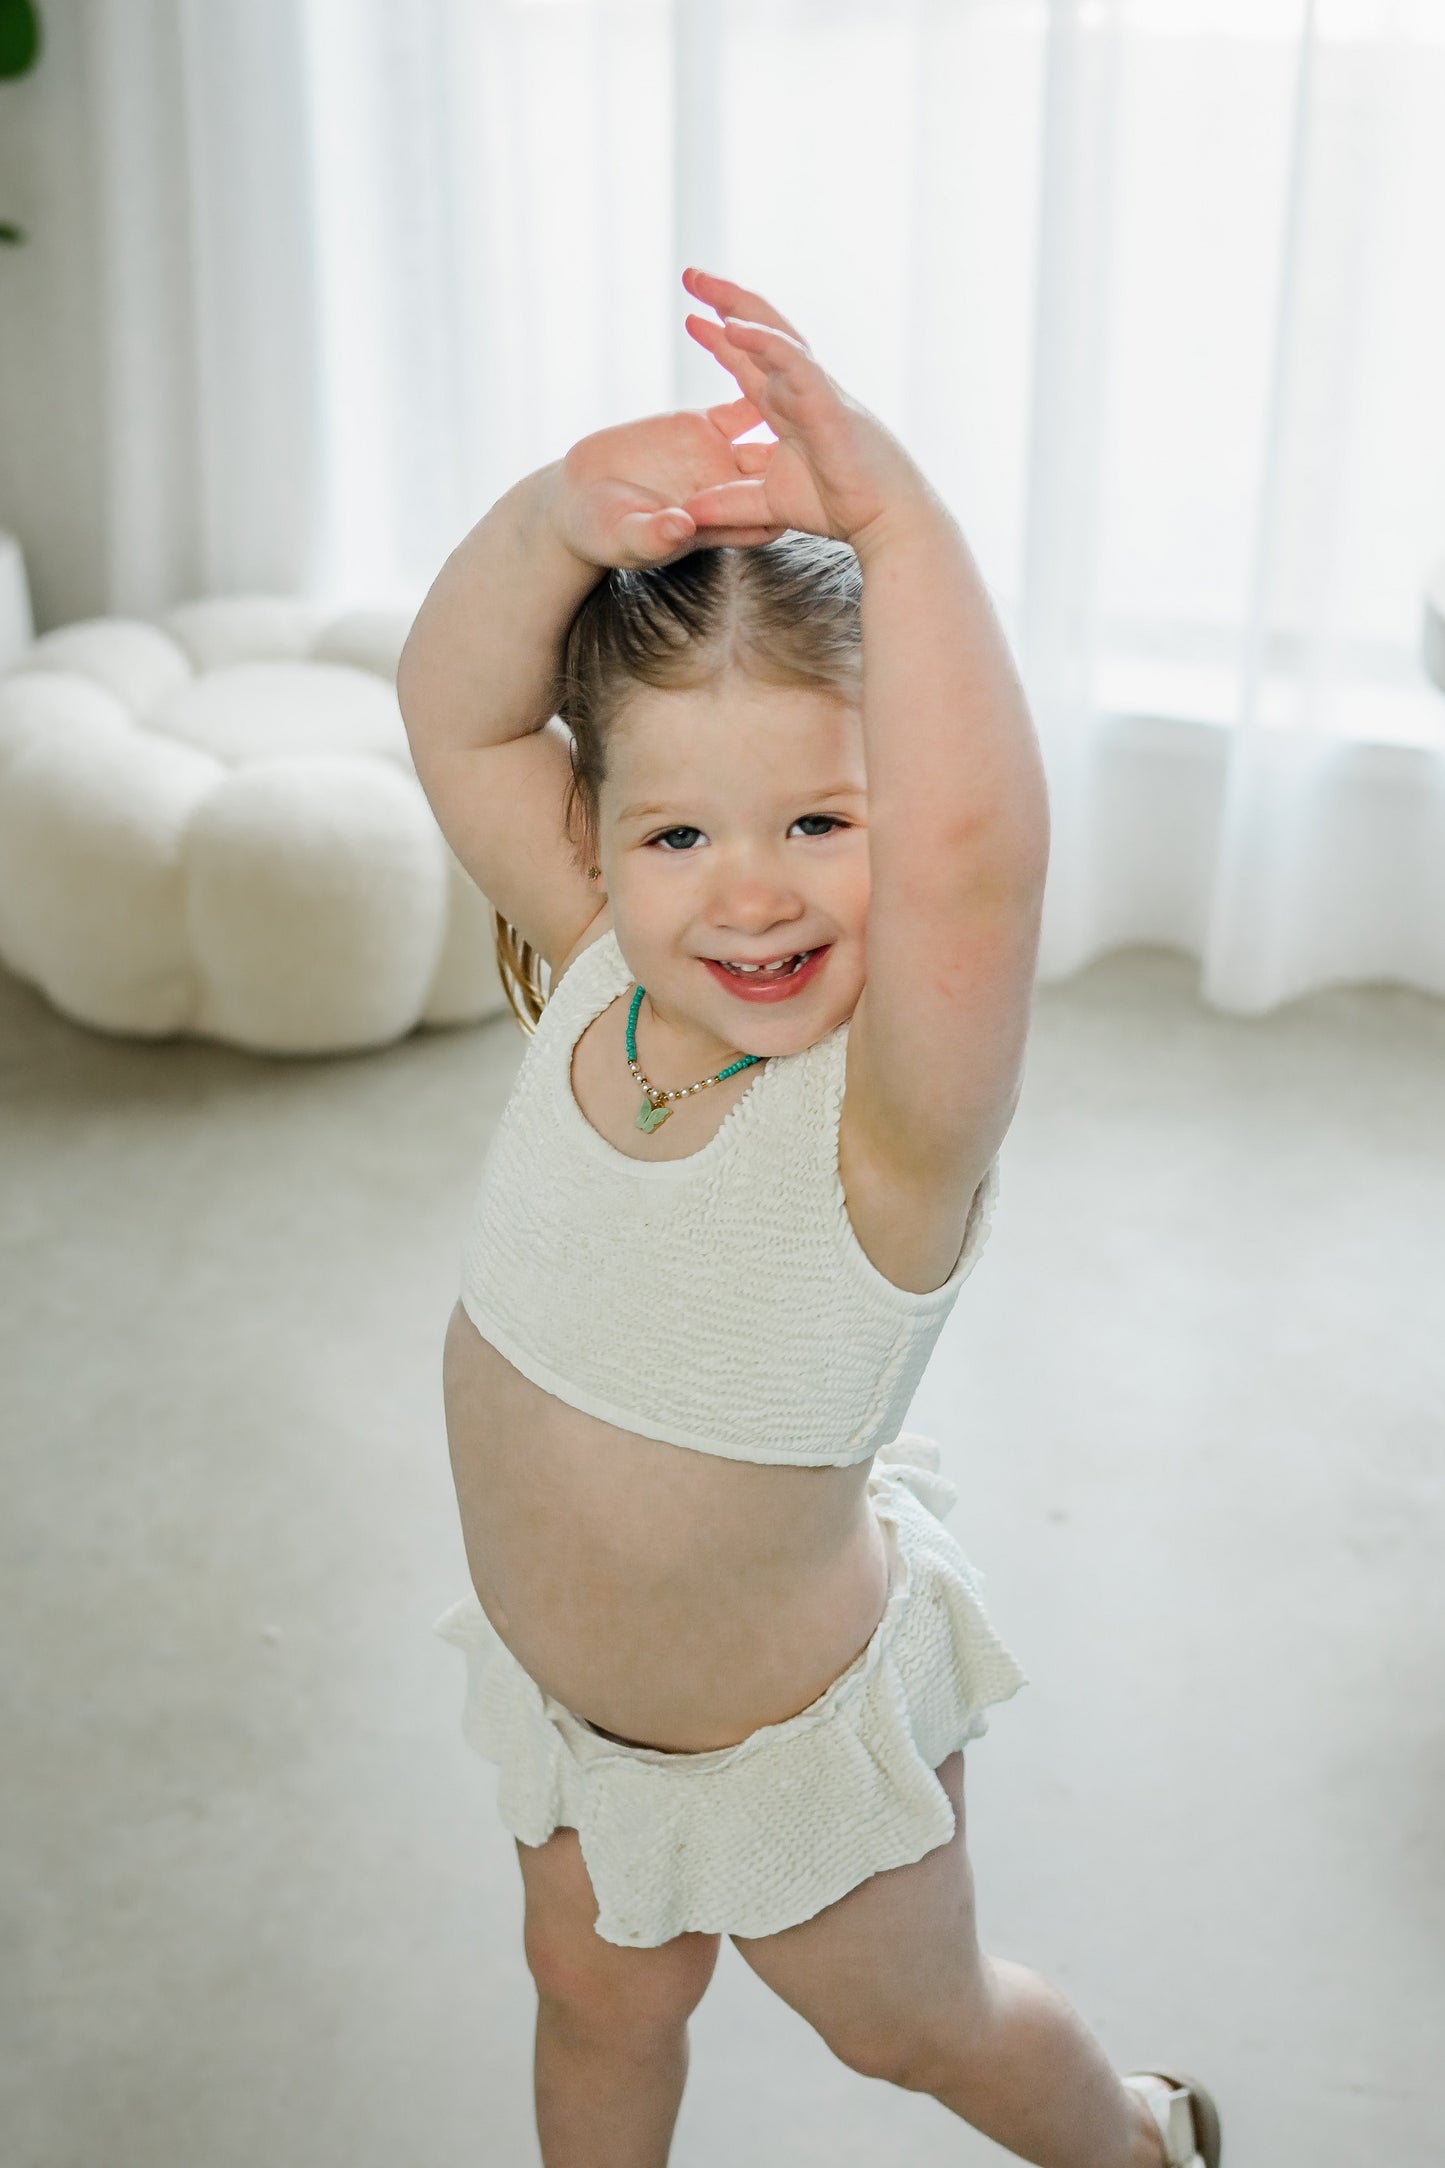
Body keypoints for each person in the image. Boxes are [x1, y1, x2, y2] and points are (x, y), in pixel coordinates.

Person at [397, 267, 1221, 2168]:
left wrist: (898, 531)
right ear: (602, 834)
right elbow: (455, 714)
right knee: (594, 2004)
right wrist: (553, 517)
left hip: (786, 1745)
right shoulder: (598, 961)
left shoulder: (886, 1130)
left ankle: (1133, 2142)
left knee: (916, 2030)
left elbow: (977, 867)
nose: (748, 893)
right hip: (572, 1708)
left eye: (820, 824)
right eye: (679, 833)